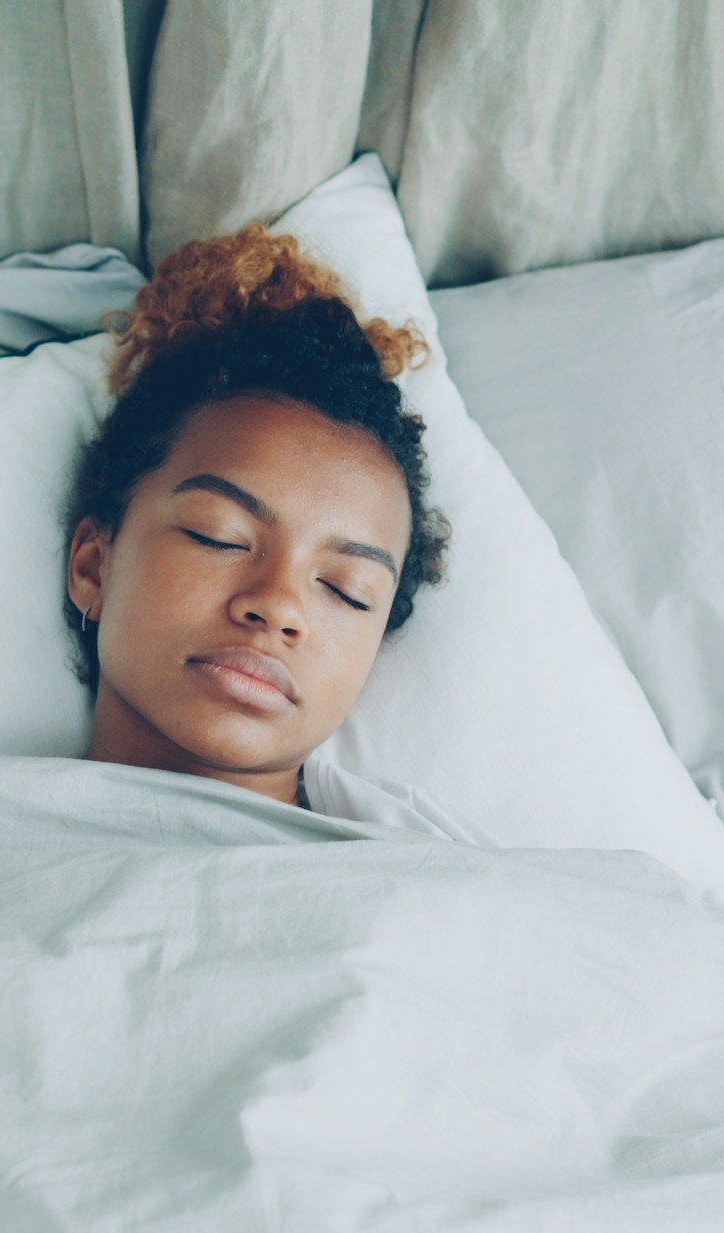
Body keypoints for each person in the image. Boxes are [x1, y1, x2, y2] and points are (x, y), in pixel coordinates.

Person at [61, 224, 492, 845]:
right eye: (220, 537)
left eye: (346, 591)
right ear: (94, 568)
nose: (280, 606)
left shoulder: (445, 874)